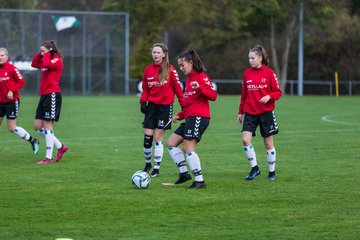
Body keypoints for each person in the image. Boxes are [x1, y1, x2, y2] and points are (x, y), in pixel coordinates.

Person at [167, 49, 217, 189]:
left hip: (199, 117)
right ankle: (184, 174)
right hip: (190, 117)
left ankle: (199, 181)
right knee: (171, 143)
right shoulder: (189, 80)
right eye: (179, 66)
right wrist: (180, 115)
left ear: (191, 62)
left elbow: (213, 96)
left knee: (188, 147)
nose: (181, 68)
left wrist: (200, 87)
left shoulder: (201, 77)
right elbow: (190, 103)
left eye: (182, 65)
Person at [237, 45, 282, 181]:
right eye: (249, 58)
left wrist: (269, 97)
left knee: (268, 143)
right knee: (245, 140)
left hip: (266, 112)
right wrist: (240, 111)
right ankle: (255, 168)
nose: (250, 60)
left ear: (260, 58)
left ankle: (272, 172)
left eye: (252, 58)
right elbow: (244, 94)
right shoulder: (247, 74)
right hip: (250, 112)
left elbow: (278, 92)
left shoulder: (269, 73)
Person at [140, 43, 185, 177]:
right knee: (147, 138)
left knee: (157, 137)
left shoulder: (170, 69)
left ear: (164, 54)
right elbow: (146, 89)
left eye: (158, 52)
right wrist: (143, 101)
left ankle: (156, 169)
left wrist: (184, 107)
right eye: (154, 52)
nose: (156, 55)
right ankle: (148, 165)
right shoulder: (148, 69)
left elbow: (178, 89)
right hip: (152, 106)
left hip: (165, 107)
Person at [31, 40, 68, 164]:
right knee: (37, 126)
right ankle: (60, 146)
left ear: (50, 50)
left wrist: (47, 53)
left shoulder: (57, 60)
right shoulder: (45, 58)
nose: (42, 53)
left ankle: (48, 158)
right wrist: (41, 52)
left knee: (48, 126)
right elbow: (34, 63)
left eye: (43, 50)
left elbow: (46, 63)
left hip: (52, 94)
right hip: (44, 95)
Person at [0, 47, 40, 154]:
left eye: (2, 55)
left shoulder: (12, 68)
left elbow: (21, 82)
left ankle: (33, 140)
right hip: (0, 102)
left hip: (11, 102)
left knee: (11, 128)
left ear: (6, 57)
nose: (0, 57)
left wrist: (11, 90)